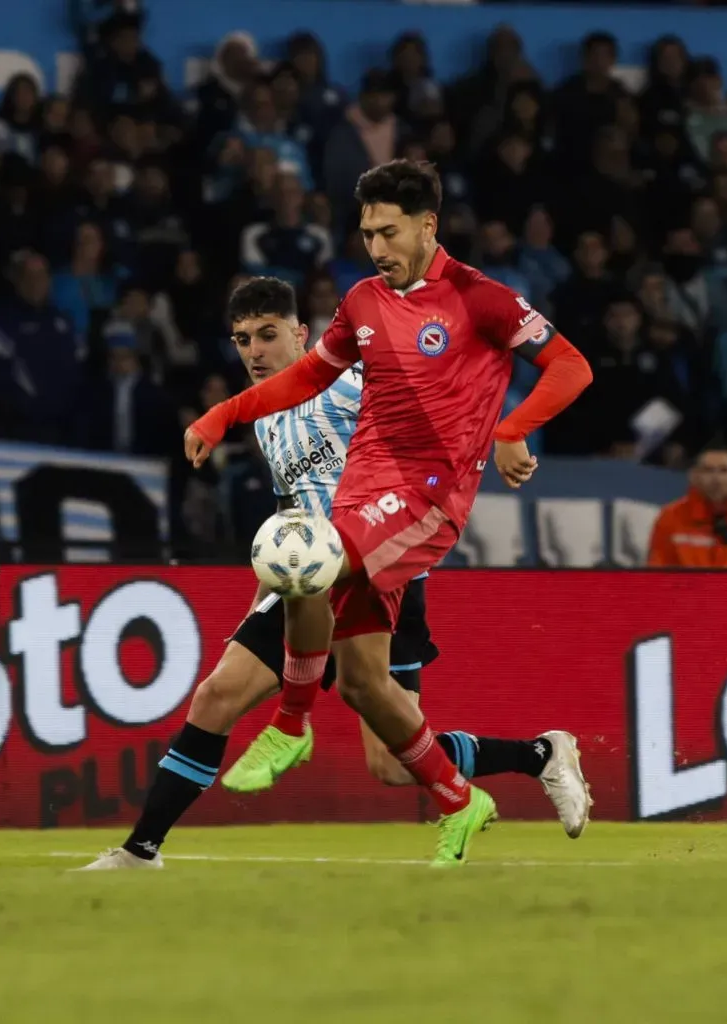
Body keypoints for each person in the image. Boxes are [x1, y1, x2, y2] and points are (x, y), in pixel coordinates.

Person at [79, 276, 586, 871]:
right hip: (310, 580)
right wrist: (258, 605)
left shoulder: (351, 384)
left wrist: (507, 436)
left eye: (268, 335)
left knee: (391, 763)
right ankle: (142, 850)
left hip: (385, 575)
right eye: (242, 339)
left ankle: (538, 755)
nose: (254, 351)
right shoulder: (267, 422)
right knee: (217, 695)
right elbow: (289, 517)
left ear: (302, 335)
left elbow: (435, 404)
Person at [183, 160, 593, 866]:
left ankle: (289, 723)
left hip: (427, 493)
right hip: (360, 493)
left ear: (427, 226)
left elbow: (570, 367)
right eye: (367, 231)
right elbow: (310, 373)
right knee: (371, 691)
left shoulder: (480, 298)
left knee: (304, 560)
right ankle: (471, 797)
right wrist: (223, 414)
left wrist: (510, 430)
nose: (375, 246)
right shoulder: (365, 300)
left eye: (388, 231)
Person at [647, 445, 727, 568]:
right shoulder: (671, 517)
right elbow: (657, 577)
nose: (717, 479)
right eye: (708, 470)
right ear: (694, 476)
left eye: (724, 470)